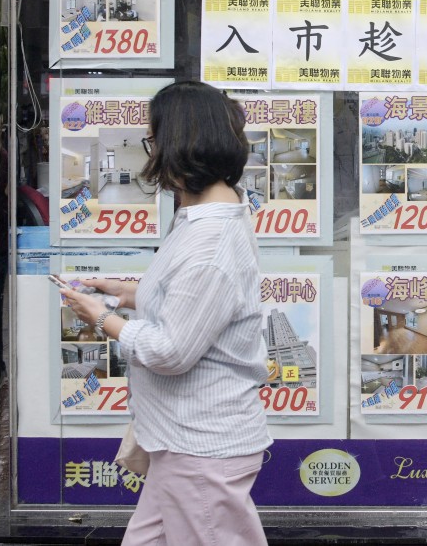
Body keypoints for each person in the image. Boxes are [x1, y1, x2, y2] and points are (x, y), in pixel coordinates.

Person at [60, 81, 270, 546]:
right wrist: (124, 292)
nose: (150, 154)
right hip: (179, 441)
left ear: (178, 144)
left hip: (199, 447)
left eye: (153, 140)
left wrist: (100, 316)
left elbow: (172, 350)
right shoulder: (205, 216)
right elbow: (194, 304)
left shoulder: (209, 241)